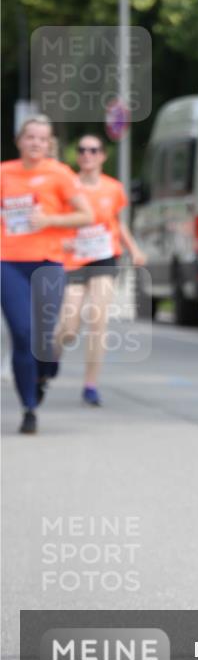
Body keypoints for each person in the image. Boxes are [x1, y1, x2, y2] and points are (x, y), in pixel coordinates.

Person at [0, 116, 93, 434]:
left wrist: (49, 219)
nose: (36, 143)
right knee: (22, 334)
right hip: (8, 263)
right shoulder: (4, 173)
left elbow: (86, 215)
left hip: (48, 263)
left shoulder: (60, 174)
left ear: (49, 143)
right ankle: (28, 406)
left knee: (44, 336)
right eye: (30, 137)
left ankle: (44, 371)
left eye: (42, 138)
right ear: (19, 141)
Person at [57, 134, 146, 406]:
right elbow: (55, 220)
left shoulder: (113, 188)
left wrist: (134, 248)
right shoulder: (67, 186)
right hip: (73, 258)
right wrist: (62, 240)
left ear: (102, 156)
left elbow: (117, 223)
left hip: (104, 257)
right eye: (82, 149)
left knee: (98, 319)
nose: (87, 154)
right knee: (70, 326)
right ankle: (49, 363)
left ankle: (90, 384)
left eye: (93, 150)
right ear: (77, 155)